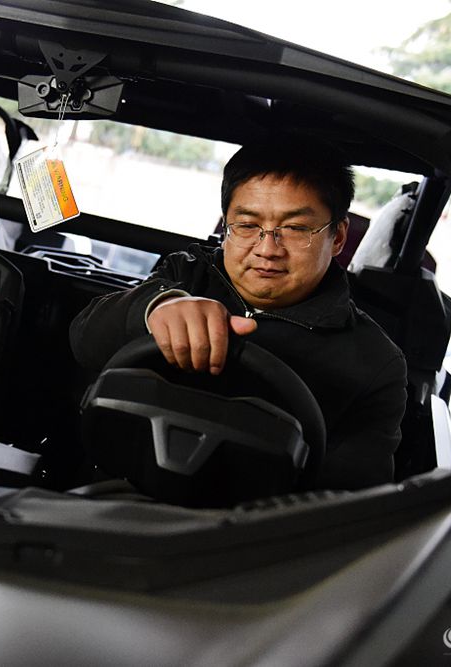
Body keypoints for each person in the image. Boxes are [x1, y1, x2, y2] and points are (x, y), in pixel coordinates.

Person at [69, 135, 407, 489]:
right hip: (119, 492)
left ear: (337, 237)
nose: (267, 249)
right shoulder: (187, 275)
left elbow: (353, 496)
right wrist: (157, 306)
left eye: (295, 229)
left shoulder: (374, 361)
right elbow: (84, 340)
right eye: (247, 226)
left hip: (261, 520)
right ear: (226, 226)